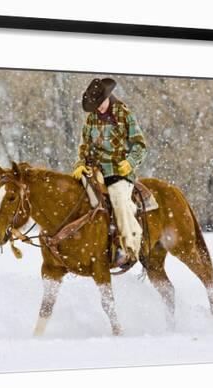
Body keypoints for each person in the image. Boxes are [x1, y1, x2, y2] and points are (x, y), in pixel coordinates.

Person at [72, 77, 148, 267]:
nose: (98, 108)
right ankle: (85, 243)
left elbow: (140, 145)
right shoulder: (91, 118)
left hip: (119, 171)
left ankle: (129, 246)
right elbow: (84, 146)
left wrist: (130, 163)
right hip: (95, 169)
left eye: (100, 103)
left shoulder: (124, 115)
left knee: (118, 199)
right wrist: (80, 163)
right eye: (94, 105)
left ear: (108, 97)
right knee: (77, 196)